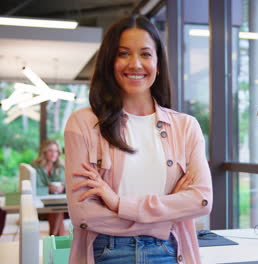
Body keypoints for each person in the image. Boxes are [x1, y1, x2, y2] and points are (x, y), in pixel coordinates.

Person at [64, 15, 212, 264]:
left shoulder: (185, 127)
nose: (135, 64)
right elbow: (84, 214)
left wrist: (119, 203)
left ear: (158, 63)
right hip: (107, 253)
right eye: (123, 53)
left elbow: (202, 200)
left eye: (145, 54)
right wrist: (163, 218)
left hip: (171, 252)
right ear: (110, 61)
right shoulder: (84, 124)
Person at [31, 139, 67, 236]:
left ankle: (53, 238)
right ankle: (54, 238)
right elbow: (33, 188)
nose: (54, 154)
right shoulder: (35, 167)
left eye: (56, 151)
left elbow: (66, 184)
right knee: (57, 211)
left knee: (57, 209)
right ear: (44, 152)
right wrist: (48, 189)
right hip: (40, 206)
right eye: (50, 150)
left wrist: (62, 188)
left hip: (58, 204)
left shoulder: (60, 166)